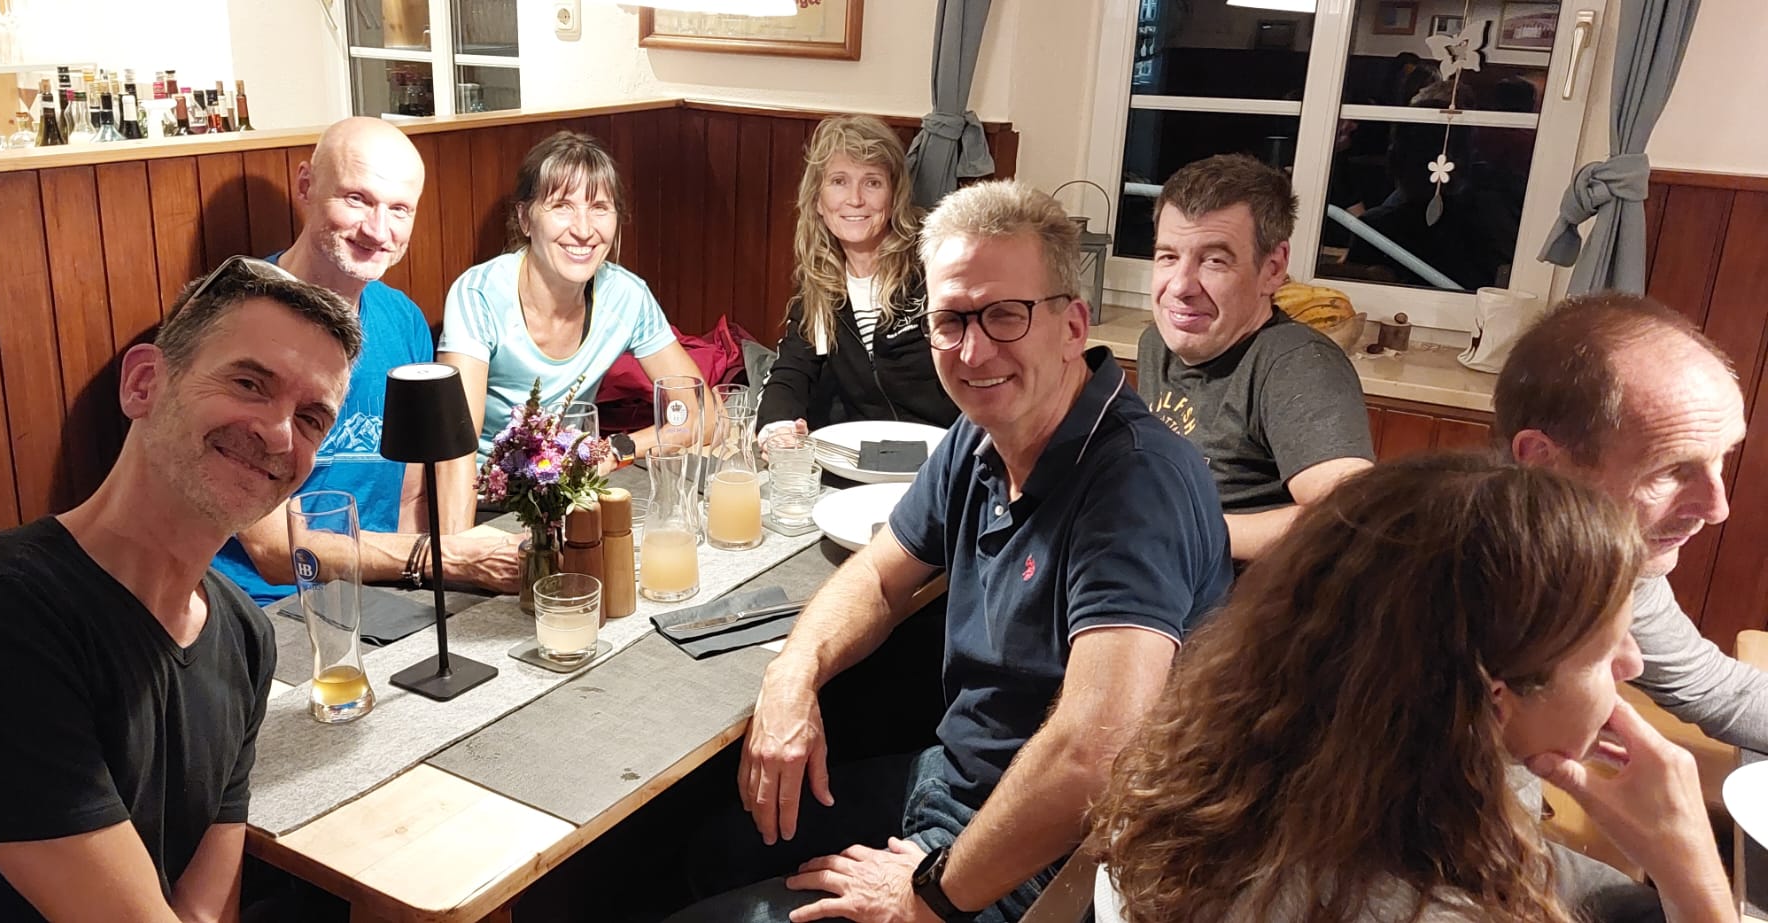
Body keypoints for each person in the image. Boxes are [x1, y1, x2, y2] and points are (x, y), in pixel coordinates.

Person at [670, 180, 1232, 923]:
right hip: (956, 782)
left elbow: (1091, 755)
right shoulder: (977, 437)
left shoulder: (1135, 480)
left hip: (1061, 853)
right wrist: (792, 673)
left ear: (1072, 325)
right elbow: (878, 577)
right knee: (707, 850)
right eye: (950, 320)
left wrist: (926, 895)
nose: (973, 350)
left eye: (1004, 315)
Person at [0, 258, 362, 920]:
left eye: (311, 419)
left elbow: (202, 911)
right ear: (143, 384)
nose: (278, 433)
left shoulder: (245, 636)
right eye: (249, 383)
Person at [1087, 453, 1736, 923]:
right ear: (1488, 705)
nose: (1633, 663)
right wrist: (1693, 875)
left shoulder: (1204, 795)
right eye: (1601, 653)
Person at [213, 116, 520, 602]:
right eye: (357, 199)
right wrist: (447, 558)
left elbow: (414, 495)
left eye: (400, 209)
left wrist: (423, 589)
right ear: (306, 186)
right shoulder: (233, 318)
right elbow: (273, 551)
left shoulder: (403, 319)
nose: (379, 231)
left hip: (382, 588)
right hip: (264, 604)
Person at [1498, 292, 1768, 749]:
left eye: (1721, 456)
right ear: (1542, 460)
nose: (1716, 509)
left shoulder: (1609, 549)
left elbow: (1715, 686)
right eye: (1672, 470)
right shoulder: (1421, 586)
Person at [435, 129, 704, 528]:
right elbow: (455, 447)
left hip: (569, 493)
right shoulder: (478, 294)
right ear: (525, 218)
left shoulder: (626, 295)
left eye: (599, 207)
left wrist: (617, 449)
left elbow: (699, 413)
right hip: (487, 501)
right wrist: (458, 550)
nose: (583, 229)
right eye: (561, 206)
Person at [1141, 153, 1375, 561]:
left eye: (1214, 260)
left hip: (1242, 599)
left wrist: (1182, 532)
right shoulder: (1157, 344)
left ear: (1273, 269)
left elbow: (1350, 519)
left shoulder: (1296, 363)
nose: (1180, 286)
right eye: (1168, 256)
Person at [757, 115, 956, 439]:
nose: (855, 199)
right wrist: (778, 428)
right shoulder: (821, 281)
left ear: (894, 195)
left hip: (949, 451)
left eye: (872, 182)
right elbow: (791, 371)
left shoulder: (936, 263)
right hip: (864, 456)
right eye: (839, 181)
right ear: (817, 200)